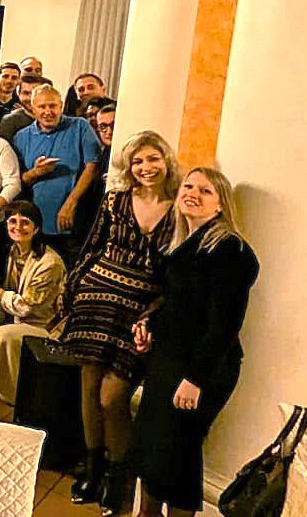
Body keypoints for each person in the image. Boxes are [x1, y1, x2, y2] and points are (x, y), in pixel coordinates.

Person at [129, 168, 259, 517]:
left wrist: (195, 379)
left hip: (201, 368)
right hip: (169, 360)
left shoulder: (230, 250)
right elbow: (179, 305)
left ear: (220, 205)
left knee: (178, 456)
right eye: (188, 186)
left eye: (205, 191)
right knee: (154, 450)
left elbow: (224, 324)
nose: (193, 194)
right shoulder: (186, 244)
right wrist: (149, 326)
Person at [61, 130, 179, 512]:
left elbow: (176, 273)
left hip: (138, 311)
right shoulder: (115, 200)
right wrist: (73, 288)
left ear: (166, 161)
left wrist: (156, 313)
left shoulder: (179, 209)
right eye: (138, 161)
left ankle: (119, 475)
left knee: (112, 398)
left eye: (153, 159)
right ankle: (93, 468)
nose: (146, 168)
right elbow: (92, 245)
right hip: (96, 299)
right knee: (89, 386)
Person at [0, 200, 65, 405]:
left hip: (46, 325)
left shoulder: (49, 263)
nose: (18, 227)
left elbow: (25, 307)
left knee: (2, 334)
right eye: (13, 221)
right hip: (19, 319)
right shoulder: (12, 251)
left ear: (36, 228)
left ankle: (15, 395)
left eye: (25, 223)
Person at [11, 84, 101, 258]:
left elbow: (93, 166)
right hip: (36, 223)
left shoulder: (79, 126)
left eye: (52, 106)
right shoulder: (21, 137)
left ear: (61, 106)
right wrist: (36, 172)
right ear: (33, 109)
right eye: (42, 106)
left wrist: (70, 203)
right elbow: (19, 180)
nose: (48, 111)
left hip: (74, 219)